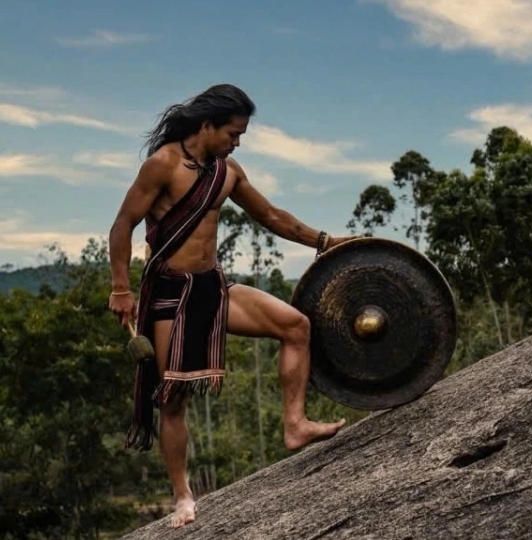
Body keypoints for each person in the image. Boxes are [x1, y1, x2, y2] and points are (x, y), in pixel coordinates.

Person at [107, 83, 353, 528]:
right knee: (173, 400)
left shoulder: (228, 171)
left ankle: (295, 425)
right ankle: (182, 496)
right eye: (233, 133)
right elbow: (122, 224)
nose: (237, 142)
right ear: (207, 126)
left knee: (295, 326)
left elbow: (272, 217)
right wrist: (121, 288)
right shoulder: (162, 165)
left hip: (213, 289)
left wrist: (325, 242)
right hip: (168, 294)